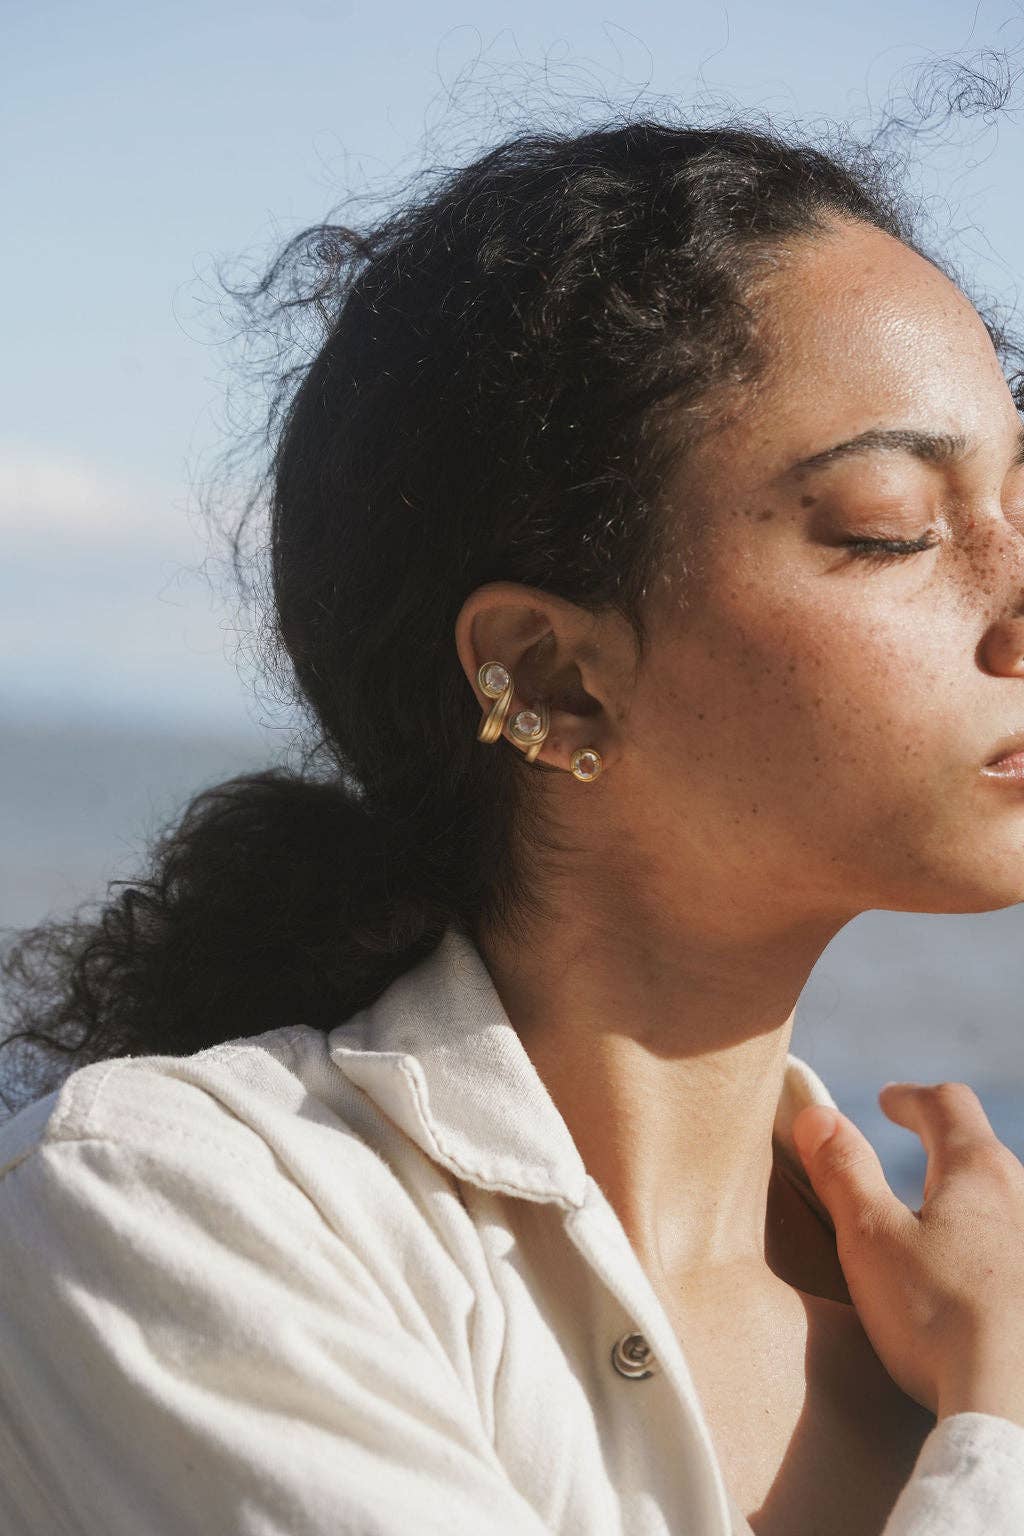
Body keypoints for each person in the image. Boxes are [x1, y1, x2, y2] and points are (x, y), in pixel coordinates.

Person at [2, 114, 1024, 1536]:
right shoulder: (184, 1209)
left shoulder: (973, 1298)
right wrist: (995, 1435)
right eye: (893, 525)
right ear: (550, 680)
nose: (1015, 597)